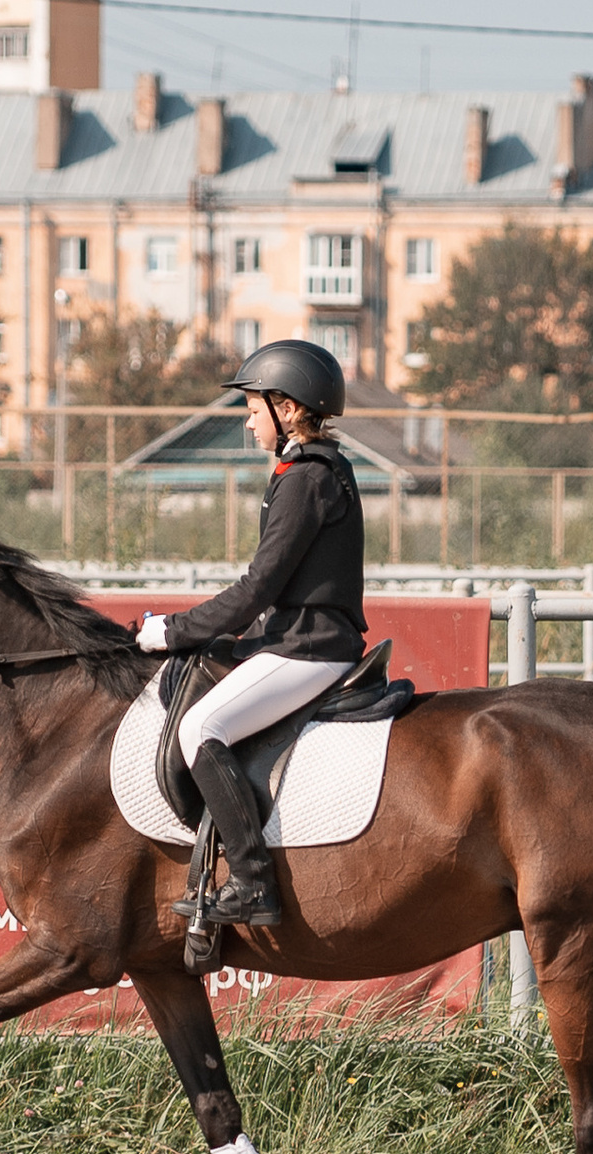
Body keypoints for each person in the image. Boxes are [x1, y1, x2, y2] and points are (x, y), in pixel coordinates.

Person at [136, 338, 366, 927]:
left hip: (309, 648)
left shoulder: (306, 477)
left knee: (200, 727)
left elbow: (256, 588)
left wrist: (174, 631)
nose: (247, 418)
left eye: (253, 406)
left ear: (288, 408)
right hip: (297, 637)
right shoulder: (308, 470)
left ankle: (252, 882)